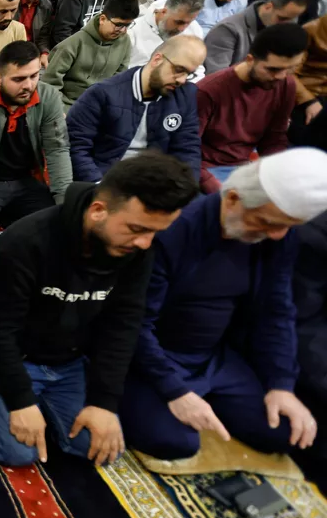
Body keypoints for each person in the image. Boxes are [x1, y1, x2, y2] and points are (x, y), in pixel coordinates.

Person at [0, 153, 198, 466]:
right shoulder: (24, 243)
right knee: (18, 454)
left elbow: (123, 326)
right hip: (13, 357)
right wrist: (21, 400)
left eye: (154, 233)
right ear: (98, 210)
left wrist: (103, 402)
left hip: (69, 363)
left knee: (100, 449)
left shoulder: (135, 249)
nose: (145, 243)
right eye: (136, 229)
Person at [121, 150, 327, 460]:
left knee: (284, 432)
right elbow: (134, 323)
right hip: (152, 358)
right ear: (232, 199)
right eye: (268, 222)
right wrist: (175, 391)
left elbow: (276, 311)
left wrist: (281, 383)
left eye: (287, 226)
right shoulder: (175, 230)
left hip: (213, 358)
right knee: (175, 442)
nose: (277, 234)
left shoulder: (277, 237)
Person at [0, 41, 72, 247]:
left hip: (26, 182)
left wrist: (66, 203)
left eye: (34, 76)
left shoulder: (49, 97)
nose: (28, 85)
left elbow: (57, 151)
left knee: (57, 230)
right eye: (18, 79)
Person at [68, 35, 207, 181]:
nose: (182, 80)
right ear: (157, 59)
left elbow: (187, 149)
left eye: (189, 74)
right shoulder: (103, 93)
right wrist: (97, 186)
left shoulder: (185, 95)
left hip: (155, 183)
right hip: (106, 180)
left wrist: (184, 191)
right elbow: (76, 147)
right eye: (179, 69)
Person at [198, 24, 307, 193]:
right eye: (273, 69)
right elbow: (186, 149)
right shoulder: (209, 90)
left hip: (243, 167)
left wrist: (277, 175)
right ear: (250, 60)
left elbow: (274, 138)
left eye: (290, 69)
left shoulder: (286, 84)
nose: (280, 76)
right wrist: (213, 186)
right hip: (205, 170)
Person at [41, 0, 136, 109]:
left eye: (128, 25)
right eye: (118, 25)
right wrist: (61, 111)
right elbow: (49, 84)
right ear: (102, 19)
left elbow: (118, 81)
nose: (123, 30)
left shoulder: (124, 41)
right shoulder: (72, 44)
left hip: (100, 106)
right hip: (68, 105)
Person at [203, 0, 308, 75]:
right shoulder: (227, 30)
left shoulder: (284, 27)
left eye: (293, 19)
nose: (286, 25)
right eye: (282, 18)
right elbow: (216, 77)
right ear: (268, 7)